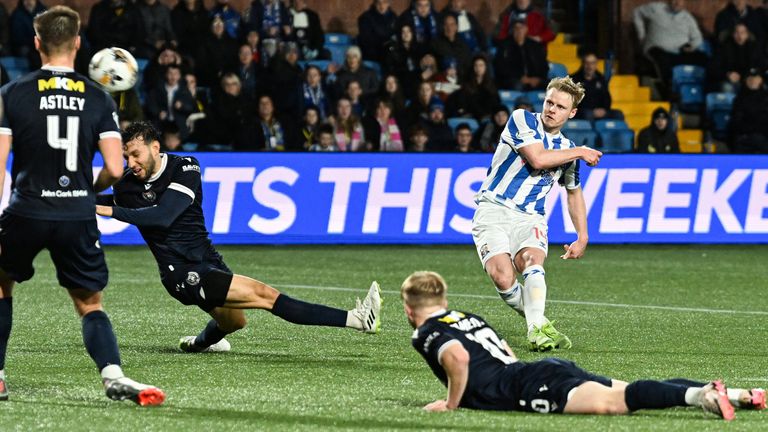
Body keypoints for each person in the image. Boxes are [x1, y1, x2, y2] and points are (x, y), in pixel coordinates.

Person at [96, 122, 381, 353]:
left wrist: (104, 208)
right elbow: (106, 200)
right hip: (180, 272)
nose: (131, 163)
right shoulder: (126, 188)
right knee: (265, 295)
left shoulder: (185, 167)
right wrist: (81, 201)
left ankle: (197, 344)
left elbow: (164, 215)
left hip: (207, 258)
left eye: (136, 154)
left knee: (235, 321)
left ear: (155, 148)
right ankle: (357, 319)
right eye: (126, 157)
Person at [0, 6, 164, 405]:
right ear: (77, 44)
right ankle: (113, 375)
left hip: (27, 209)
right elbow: (112, 167)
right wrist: (86, 190)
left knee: (2, 285)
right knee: (89, 303)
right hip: (76, 212)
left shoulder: (12, 94)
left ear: (37, 43)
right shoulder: (98, 98)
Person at [401, 270, 766, 417]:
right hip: (537, 371)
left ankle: (701, 396)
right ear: (444, 300)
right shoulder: (464, 316)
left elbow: (458, 357)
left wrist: (451, 403)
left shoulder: (426, 332)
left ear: (408, 307)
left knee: (616, 403)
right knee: (626, 389)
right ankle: (735, 394)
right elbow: (503, 350)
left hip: (525, 385)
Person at [472, 77, 602, 352]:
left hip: (530, 217)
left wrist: (583, 236)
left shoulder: (567, 148)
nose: (551, 110)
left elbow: (573, 191)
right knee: (503, 278)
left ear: (572, 113)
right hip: (493, 209)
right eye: (549, 102)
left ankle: (536, 331)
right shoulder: (522, 120)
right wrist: (580, 151)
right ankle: (539, 320)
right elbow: (538, 159)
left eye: (560, 106)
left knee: (532, 261)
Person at [633, 0, 708, 95]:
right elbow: (637, 12)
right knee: (663, 60)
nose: (677, 3)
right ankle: (668, 91)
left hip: (679, 51)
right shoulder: (656, 8)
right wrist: (641, 34)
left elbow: (698, 38)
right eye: (675, 0)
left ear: (684, 3)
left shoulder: (687, 18)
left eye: (680, 1)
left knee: (703, 58)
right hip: (657, 49)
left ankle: (700, 93)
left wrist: (692, 47)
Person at [493, 18, 548, 91]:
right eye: (516, 28)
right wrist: (520, 77)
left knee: (553, 86)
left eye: (521, 27)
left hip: (535, 79)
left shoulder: (535, 46)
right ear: (512, 30)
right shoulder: (505, 46)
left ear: (526, 29)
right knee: (517, 86)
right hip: (514, 80)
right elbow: (501, 67)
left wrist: (538, 79)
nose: (519, 31)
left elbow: (544, 65)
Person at [572, 50, 620, 121]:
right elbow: (574, 102)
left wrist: (604, 110)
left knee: (618, 115)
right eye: (587, 63)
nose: (590, 66)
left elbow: (607, 98)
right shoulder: (574, 79)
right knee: (588, 114)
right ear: (583, 64)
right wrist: (593, 111)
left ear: (596, 64)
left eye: (592, 63)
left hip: (600, 112)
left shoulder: (601, 79)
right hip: (582, 112)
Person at [728, 68, 768, 153]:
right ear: (745, 80)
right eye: (750, 78)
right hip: (744, 137)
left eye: (756, 78)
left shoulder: (766, 98)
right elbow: (735, 121)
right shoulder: (739, 99)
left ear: (761, 80)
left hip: (762, 137)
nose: (753, 81)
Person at [357, 0, 398, 64]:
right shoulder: (365, 18)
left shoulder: (394, 17)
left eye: (385, 2)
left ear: (389, 4)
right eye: (379, 3)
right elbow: (366, 40)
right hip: (372, 54)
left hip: (389, 52)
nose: (382, 6)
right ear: (374, 3)